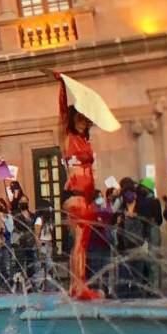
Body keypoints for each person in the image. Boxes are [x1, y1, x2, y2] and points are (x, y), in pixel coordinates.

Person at [56, 76, 101, 300]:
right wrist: (62, 86)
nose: (83, 120)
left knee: (82, 242)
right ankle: (78, 285)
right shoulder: (68, 137)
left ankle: (78, 285)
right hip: (75, 196)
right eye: (79, 116)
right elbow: (63, 112)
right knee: (80, 242)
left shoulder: (85, 140)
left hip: (88, 196)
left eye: (86, 118)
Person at [10, 198, 37, 290]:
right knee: (19, 264)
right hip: (19, 242)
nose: (23, 202)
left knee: (31, 263)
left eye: (25, 201)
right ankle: (18, 284)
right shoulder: (15, 214)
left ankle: (30, 284)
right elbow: (19, 225)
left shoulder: (33, 215)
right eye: (21, 201)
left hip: (30, 242)